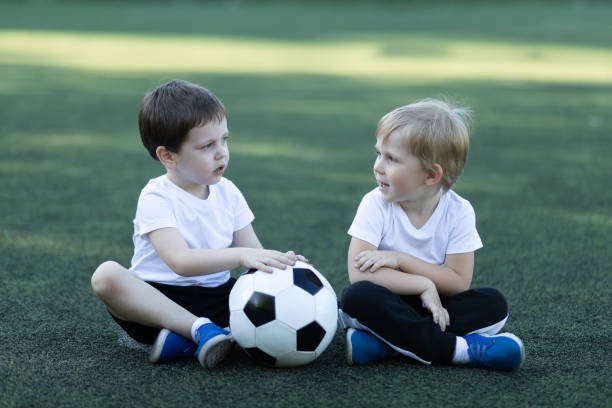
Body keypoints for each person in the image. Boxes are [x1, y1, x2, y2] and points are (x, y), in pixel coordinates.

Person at [91, 79, 306, 369]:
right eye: (207, 146)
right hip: (156, 301)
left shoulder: (228, 192)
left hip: (216, 299)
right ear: (168, 156)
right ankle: (199, 331)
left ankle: (184, 341)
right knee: (106, 276)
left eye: (224, 140)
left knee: (263, 300)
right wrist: (240, 256)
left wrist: (285, 266)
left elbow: (254, 256)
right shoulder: (156, 196)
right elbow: (180, 261)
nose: (221, 152)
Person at [338, 99, 525, 371]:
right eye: (379, 154)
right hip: (386, 301)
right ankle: (459, 351)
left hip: (437, 308)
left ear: (431, 175)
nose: (378, 166)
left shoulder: (459, 212)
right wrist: (422, 285)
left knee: (494, 304)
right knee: (357, 298)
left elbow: (458, 282)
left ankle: (386, 344)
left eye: (391, 158)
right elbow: (360, 274)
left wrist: (401, 259)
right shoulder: (374, 203)